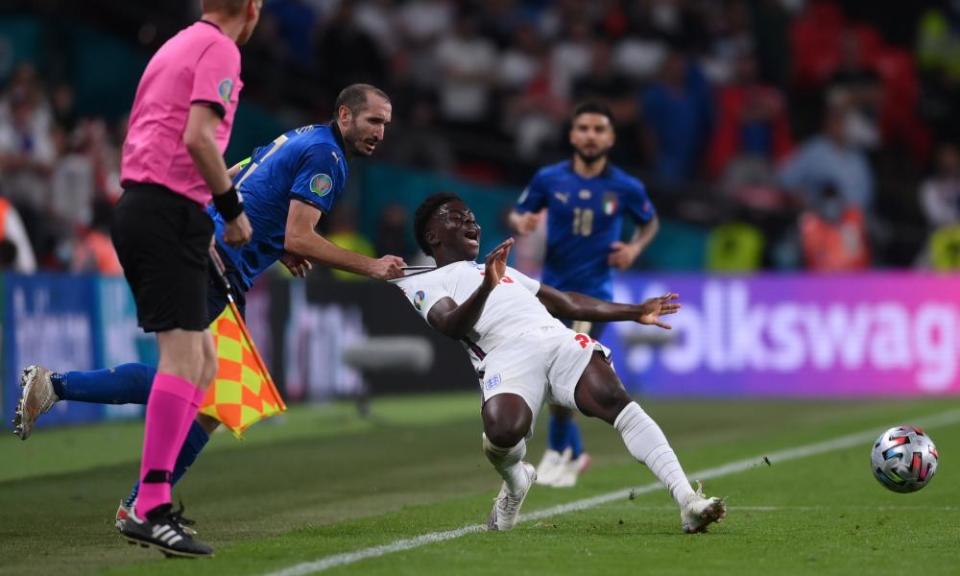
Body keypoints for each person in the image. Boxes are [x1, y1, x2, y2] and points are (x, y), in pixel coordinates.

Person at [12, 84, 405, 551]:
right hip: (207, 259)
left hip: (201, 252)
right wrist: (371, 265)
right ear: (345, 115)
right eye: (372, 121)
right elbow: (301, 237)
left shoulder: (303, 138)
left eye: (385, 123)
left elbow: (241, 175)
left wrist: (276, 243)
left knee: (212, 400)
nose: (380, 132)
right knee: (189, 381)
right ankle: (64, 396)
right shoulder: (328, 158)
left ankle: (138, 499)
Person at [398, 193, 724, 533]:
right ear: (433, 236)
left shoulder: (501, 270)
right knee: (503, 432)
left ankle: (688, 500)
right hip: (505, 356)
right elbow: (452, 326)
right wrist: (486, 288)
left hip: (555, 339)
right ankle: (516, 480)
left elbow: (567, 302)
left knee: (615, 399)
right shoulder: (424, 282)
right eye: (456, 217)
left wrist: (635, 311)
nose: (471, 222)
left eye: (472, 217)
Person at [508, 102, 659, 488]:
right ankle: (573, 453)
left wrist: (634, 249)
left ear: (610, 137)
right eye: (584, 128)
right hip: (551, 293)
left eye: (598, 129)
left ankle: (560, 456)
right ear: (572, 134)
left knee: (563, 372)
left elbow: (650, 221)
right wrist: (520, 220)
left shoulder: (625, 186)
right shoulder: (549, 179)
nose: (591, 135)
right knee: (551, 373)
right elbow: (520, 212)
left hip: (592, 295)